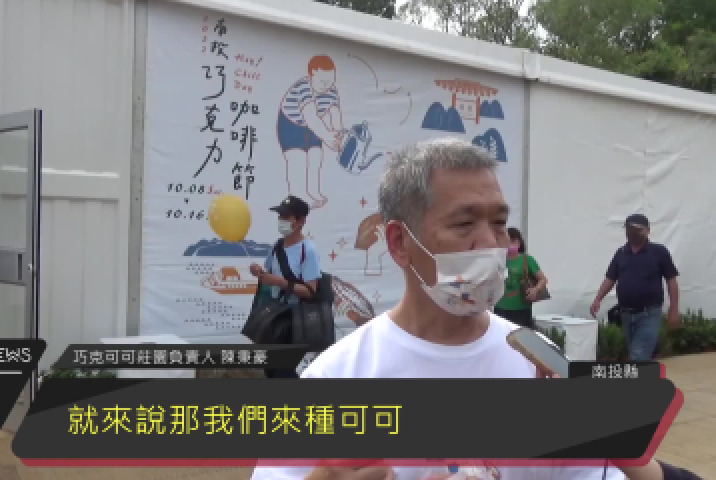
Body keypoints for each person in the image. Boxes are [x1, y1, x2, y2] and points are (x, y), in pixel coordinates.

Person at [250, 139, 623, 480]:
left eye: (499, 224)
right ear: (399, 243)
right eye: (464, 224)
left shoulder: (540, 363)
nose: (490, 243)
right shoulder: (339, 378)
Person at [249, 195, 322, 379]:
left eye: (286, 216)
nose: (281, 220)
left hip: (293, 323)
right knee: (271, 372)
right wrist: (258, 272)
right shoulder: (276, 247)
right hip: (273, 320)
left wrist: (279, 282)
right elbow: (269, 273)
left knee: (285, 373)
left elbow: (310, 291)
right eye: (280, 216)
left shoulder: (308, 250)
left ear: (300, 221)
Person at [589, 214, 679, 361]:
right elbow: (610, 278)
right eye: (629, 229)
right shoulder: (621, 253)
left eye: (637, 229)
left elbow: (671, 280)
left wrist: (674, 309)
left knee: (638, 356)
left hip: (649, 313)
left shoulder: (659, 252)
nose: (632, 233)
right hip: (626, 314)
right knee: (636, 354)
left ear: (647, 231)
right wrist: (598, 299)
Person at [277, 55, 345, 209]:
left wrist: (338, 135)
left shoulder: (331, 90)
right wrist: (328, 138)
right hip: (291, 123)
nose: (326, 85)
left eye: (330, 80)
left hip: (312, 126)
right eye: (323, 82)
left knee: (316, 156)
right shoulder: (304, 87)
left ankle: (313, 191)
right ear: (311, 75)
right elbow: (311, 117)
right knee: (297, 158)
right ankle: (297, 196)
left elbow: (335, 113)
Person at [494, 226, 548, 329]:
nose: (510, 244)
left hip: (521, 308)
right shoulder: (498, 259)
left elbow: (543, 279)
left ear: (519, 243)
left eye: (513, 241)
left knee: (520, 335)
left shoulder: (527, 260)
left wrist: (535, 289)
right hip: (500, 307)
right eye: (508, 241)